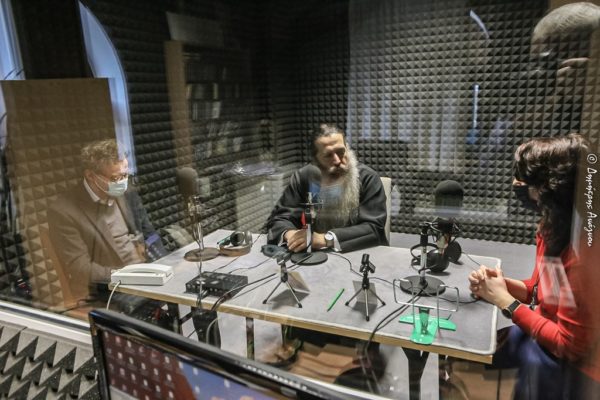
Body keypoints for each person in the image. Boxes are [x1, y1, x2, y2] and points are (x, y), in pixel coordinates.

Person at [468, 134, 599, 399]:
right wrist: (501, 286)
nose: (517, 184)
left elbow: (569, 345)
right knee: (468, 352)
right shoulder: (554, 228)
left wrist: (506, 302)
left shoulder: (584, 253)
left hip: (579, 370)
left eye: (526, 180)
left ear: (551, 190)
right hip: (548, 338)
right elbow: (546, 293)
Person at [47, 139, 170, 319]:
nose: (123, 182)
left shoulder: (127, 192)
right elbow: (80, 267)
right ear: (91, 176)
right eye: (115, 178)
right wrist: (129, 276)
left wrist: (163, 266)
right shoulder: (64, 211)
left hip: (146, 274)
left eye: (125, 175)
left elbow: (149, 233)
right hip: (110, 288)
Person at [267, 123, 388, 253]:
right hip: (314, 255)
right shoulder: (303, 178)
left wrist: (325, 239)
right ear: (315, 160)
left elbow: (374, 228)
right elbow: (280, 218)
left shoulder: (367, 178)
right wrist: (290, 234)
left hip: (359, 253)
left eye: (341, 152)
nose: (337, 160)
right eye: (328, 155)